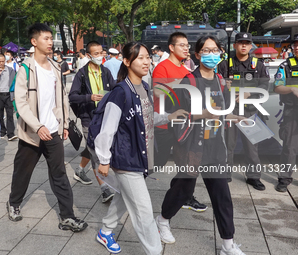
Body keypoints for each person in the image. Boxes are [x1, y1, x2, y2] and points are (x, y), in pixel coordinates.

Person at [156, 35, 246, 255]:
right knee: (183, 187)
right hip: (192, 146)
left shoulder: (221, 81)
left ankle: (227, 244)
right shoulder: (188, 83)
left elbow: (223, 111)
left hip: (215, 146)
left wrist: (235, 117)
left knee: (221, 194)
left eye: (215, 50)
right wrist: (201, 114)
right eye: (206, 51)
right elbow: (176, 117)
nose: (211, 55)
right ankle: (163, 220)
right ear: (197, 55)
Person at [7, 23, 88, 232]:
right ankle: (14, 203)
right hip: (32, 134)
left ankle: (67, 217)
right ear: (34, 42)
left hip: (53, 131)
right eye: (46, 38)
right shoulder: (25, 68)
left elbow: (60, 98)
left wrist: (64, 123)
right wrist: (37, 125)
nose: (50, 42)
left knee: (59, 173)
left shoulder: (54, 67)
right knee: (23, 172)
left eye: (51, 38)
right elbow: (20, 103)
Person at [95, 41, 163, 255]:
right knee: (143, 211)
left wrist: (171, 116)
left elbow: (148, 117)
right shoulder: (120, 92)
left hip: (140, 156)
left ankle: (105, 231)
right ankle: (154, 251)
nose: (146, 61)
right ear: (126, 61)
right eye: (140, 57)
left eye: (147, 57)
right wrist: (104, 160)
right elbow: (107, 130)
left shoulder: (143, 87)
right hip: (126, 159)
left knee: (125, 197)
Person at [153, 32, 207, 212]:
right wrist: (183, 83)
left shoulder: (187, 70)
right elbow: (159, 92)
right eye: (182, 45)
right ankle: (131, 182)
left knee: (188, 163)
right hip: (164, 125)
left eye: (187, 46)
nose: (186, 48)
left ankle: (186, 196)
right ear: (171, 47)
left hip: (183, 125)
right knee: (157, 163)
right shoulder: (162, 67)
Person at [217, 32, 269, 189]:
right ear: (234, 45)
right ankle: (225, 174)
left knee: (251, 146)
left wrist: (249, 93)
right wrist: (222, 86)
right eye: (241, 42)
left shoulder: (258, 65)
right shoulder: (224, 64)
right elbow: (214, 85)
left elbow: (265, 86)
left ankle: (253, 177)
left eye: (247, 42)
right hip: (230, 110)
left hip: (250, 111)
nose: (244, 45)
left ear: (251, 45)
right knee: (228, 144)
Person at [69, 41, 116, 202]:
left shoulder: (106, 71)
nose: (100, 56)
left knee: (92, 147)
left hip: (105, 117)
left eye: (101, 52)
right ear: (88, 56)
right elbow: (72, 96)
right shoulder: (81, 74)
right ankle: (105, 189)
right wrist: (90, 97)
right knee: (97, 153)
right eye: (95, 54)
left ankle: (80, 170)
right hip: (89, 119)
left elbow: (115, 90)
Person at [273, 34, 298, 192]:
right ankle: (284, 179)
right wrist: (291, 89)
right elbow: (277, 87)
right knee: (289, 147)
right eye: (295, 45)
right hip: (292, 112)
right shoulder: (286, 65)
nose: (296, 47)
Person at [0, 54, 17, 141]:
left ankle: (11, 133)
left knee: (10, 115)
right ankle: (2, 130)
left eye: (3, 61)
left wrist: (14, 95)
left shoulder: (10, 70)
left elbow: (14, 83)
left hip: (8, 94)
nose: (1, 63)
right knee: (0, 114)